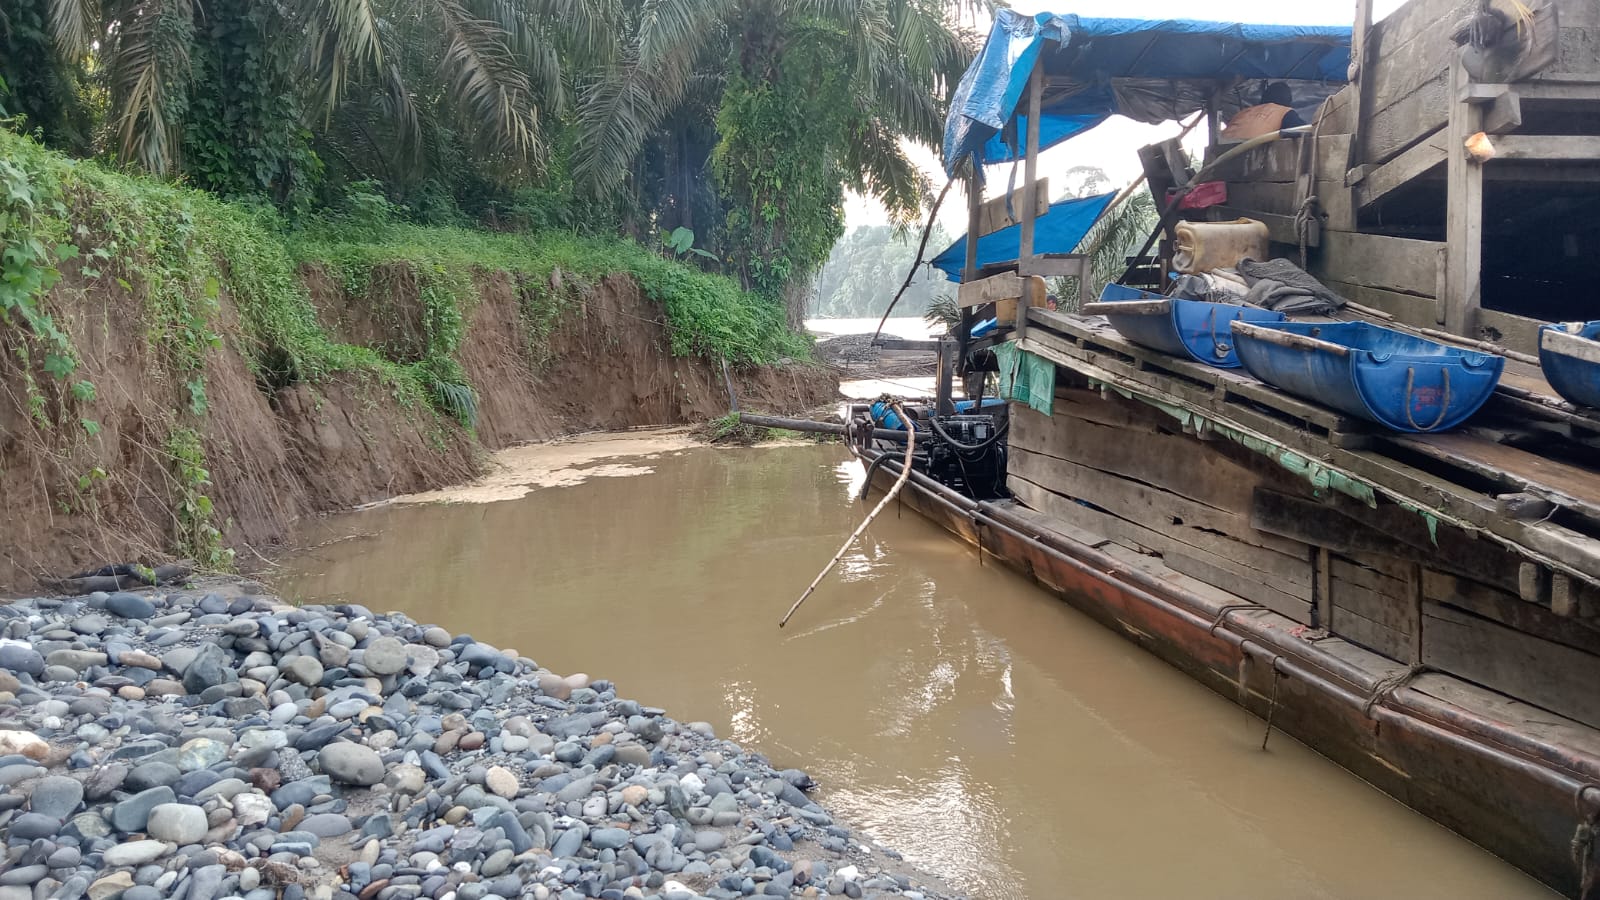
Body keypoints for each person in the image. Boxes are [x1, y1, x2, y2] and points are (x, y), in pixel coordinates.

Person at [1219, 82, 1307, 141]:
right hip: (1250, 153)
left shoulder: (1244, 112)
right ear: (1288, 100)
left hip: (1221, 151)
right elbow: (1304, 131)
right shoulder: (1284, 111)